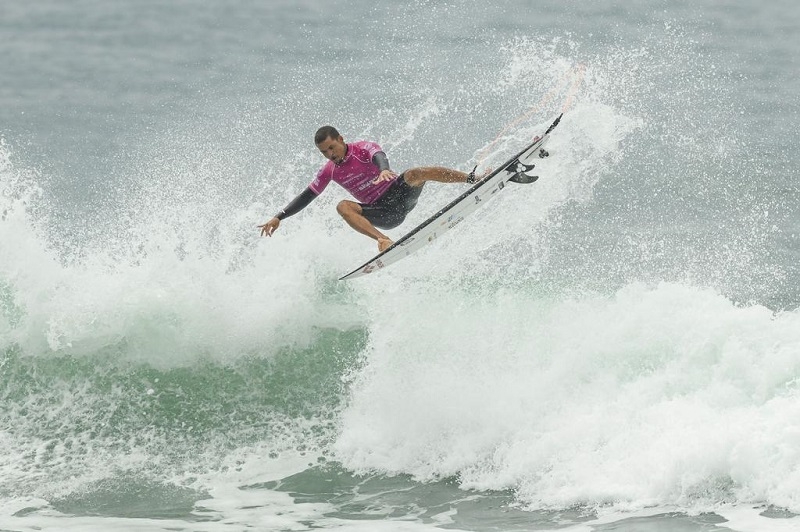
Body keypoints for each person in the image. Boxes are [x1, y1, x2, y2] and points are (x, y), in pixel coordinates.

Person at [258, 126, 485, 252]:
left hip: (400, 195)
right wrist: (280, 216)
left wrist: (384, 170)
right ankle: (383, 241)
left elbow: (379, 155)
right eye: (324, 152)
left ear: (341, 139)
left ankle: (471, 178)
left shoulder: (362, 148)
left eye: (332, 148)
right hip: (382, 213)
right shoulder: (329, 171)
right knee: (343, 206)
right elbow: (308, 195)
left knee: (415, 173)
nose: (330, 154)